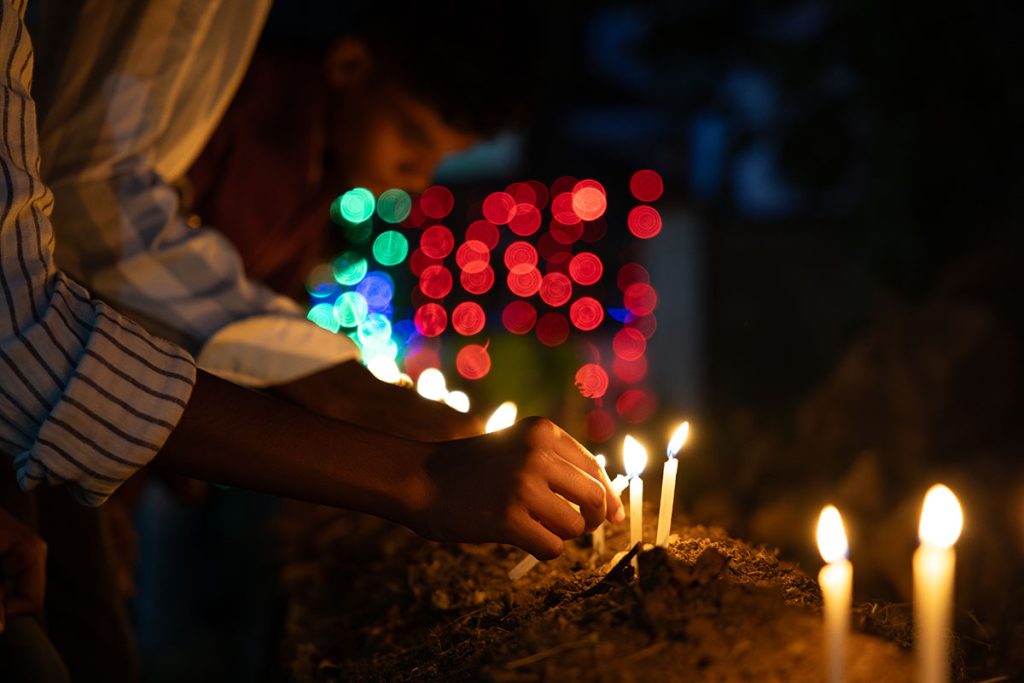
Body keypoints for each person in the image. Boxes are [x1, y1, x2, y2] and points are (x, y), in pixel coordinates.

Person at [0, 1, 624, 678]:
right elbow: (81, 246)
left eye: (438, 159)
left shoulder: (311, 181)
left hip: (100, 429)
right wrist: (397, 439)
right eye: (411, 138)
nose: (417, 178)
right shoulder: (246, 121)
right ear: (351, 65)